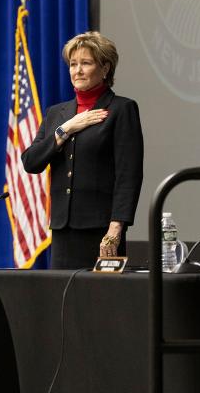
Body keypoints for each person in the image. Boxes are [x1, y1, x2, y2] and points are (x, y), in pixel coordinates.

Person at [22, 32, 144, 269]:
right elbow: (31, 162)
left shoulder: (122, 109)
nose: (77, 70)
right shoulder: (56, 114)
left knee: (101, 301)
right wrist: (65, 129)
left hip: (101, 231)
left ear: (105, 68)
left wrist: (116, 228)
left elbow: (128, 175)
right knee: (63, 302)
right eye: (73, 64)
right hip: (62, 229)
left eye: (86, 63)